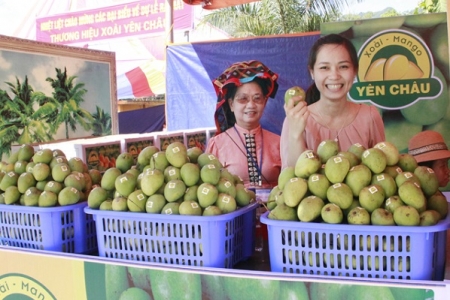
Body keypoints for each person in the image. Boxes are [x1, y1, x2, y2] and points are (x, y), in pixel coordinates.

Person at [280, 34, 385, 168]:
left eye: (343, 67)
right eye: (324, 68)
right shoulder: (296, 118)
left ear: (355, 71)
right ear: (312, 72)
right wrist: (295, 133)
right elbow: (291, 180)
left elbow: (383, 171)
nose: (334, 76)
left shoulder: (370, 116)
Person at [205, 60, 281, 189]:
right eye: (243, 99)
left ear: (264, 102)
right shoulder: (217, 145)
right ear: (231, 104)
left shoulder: (279, 142)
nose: (251, 105)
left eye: (257, 98)